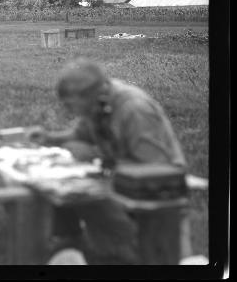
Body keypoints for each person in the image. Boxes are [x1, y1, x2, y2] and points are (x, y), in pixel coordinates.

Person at [27, 58, 191, 265]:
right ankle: (74, 248)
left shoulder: (134, 109)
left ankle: (126, 253)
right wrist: (51, 138)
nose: (71, 111)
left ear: (92, 95)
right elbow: (80, 133)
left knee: (77, 193)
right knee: (61, 190)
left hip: (157, 198)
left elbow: (156, 170)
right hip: (121, 182)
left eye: (72, 105)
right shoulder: (98, 103)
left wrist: (96, 156)